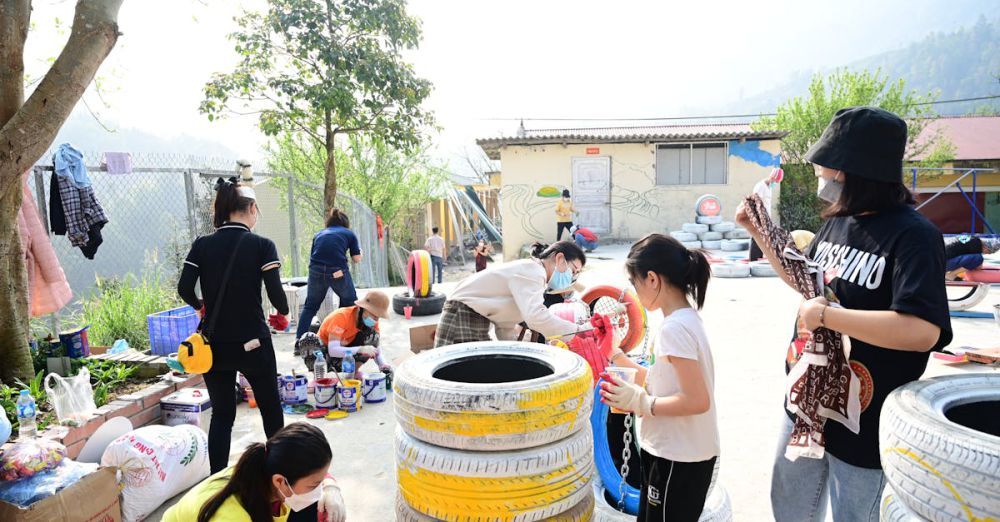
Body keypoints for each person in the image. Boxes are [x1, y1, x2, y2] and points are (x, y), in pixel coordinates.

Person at [736, 107, 952, 522]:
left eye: (828, 168)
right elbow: (808, 285)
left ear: (857, 171)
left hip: (864, 420)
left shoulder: (914, 237)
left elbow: (921, 330)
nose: (821, 175)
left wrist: (830, 317)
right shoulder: (840, 222)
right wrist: (759, 232)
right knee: (790, 508)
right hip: (806, 404)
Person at [600, 233, 718, 522]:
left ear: (652, 279)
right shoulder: (680, 321)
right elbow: (656, 380)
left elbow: (697, 400)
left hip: (679, 457)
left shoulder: (674, 329)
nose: (635, 291)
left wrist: (644, 404)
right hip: (672, 452)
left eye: (634, 282)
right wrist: (613, 353)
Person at [178, 177, 288, 474]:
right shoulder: (262, 245)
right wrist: (284, 311)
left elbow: (185, 288)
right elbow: (277, 295)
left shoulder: (202, 245)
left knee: (223, 415)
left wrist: (202, 306)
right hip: (254, 342)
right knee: (270, 410)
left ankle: (216, 481)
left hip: (214, 346)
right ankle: (278, 475)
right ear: (251, 208)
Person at [162, 422, 345, 522]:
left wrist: (331, 487)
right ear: (280, 481)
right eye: (315, 484)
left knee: (317, 506)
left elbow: (314, 473)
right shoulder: (231, 517)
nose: (318, 488)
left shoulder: (260, 468)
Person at [435, 241, 587, 347]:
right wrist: (579, 331)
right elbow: (536, 317)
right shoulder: (534, 271)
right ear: (559, 258)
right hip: (463, 313)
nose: (571, 279)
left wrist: (515, 349)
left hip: (471, 315)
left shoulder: (534, 276)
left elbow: (505, 325)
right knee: (466, 379)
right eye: (573, 271)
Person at [295, 209, 362, 340]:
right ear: (345, 224)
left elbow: (314, 256)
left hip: (316, 271)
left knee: (310, 306)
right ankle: (343, 336)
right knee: (350, 303)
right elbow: (356, 259)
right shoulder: (349, 233)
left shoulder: (319, 234)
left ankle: (299, 341)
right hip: (337, 272)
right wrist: (360, 252)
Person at [315, 290, 392, 374]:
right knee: (308, 340)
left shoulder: (372, 322)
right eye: (373, 315)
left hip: (345, 354)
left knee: (372, 336)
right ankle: (318, 378)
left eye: (378, 317)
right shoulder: (341, 317)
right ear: (361, 308)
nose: (375, 320)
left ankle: (352, 373)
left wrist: (383, 365)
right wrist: (360, 349)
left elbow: (375, 348)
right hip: (323, 355)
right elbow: (333, 350)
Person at [748, 167, 783, 261]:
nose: (774, 183)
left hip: (766, 217)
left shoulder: (769, 187)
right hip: (759, 216)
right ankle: (753, 260)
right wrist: (758, 217)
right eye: (775, 180)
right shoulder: (760, 186)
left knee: (763, 238)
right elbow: (754, 202)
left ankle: (759, 257)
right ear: (771, 177)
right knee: (756, 238)